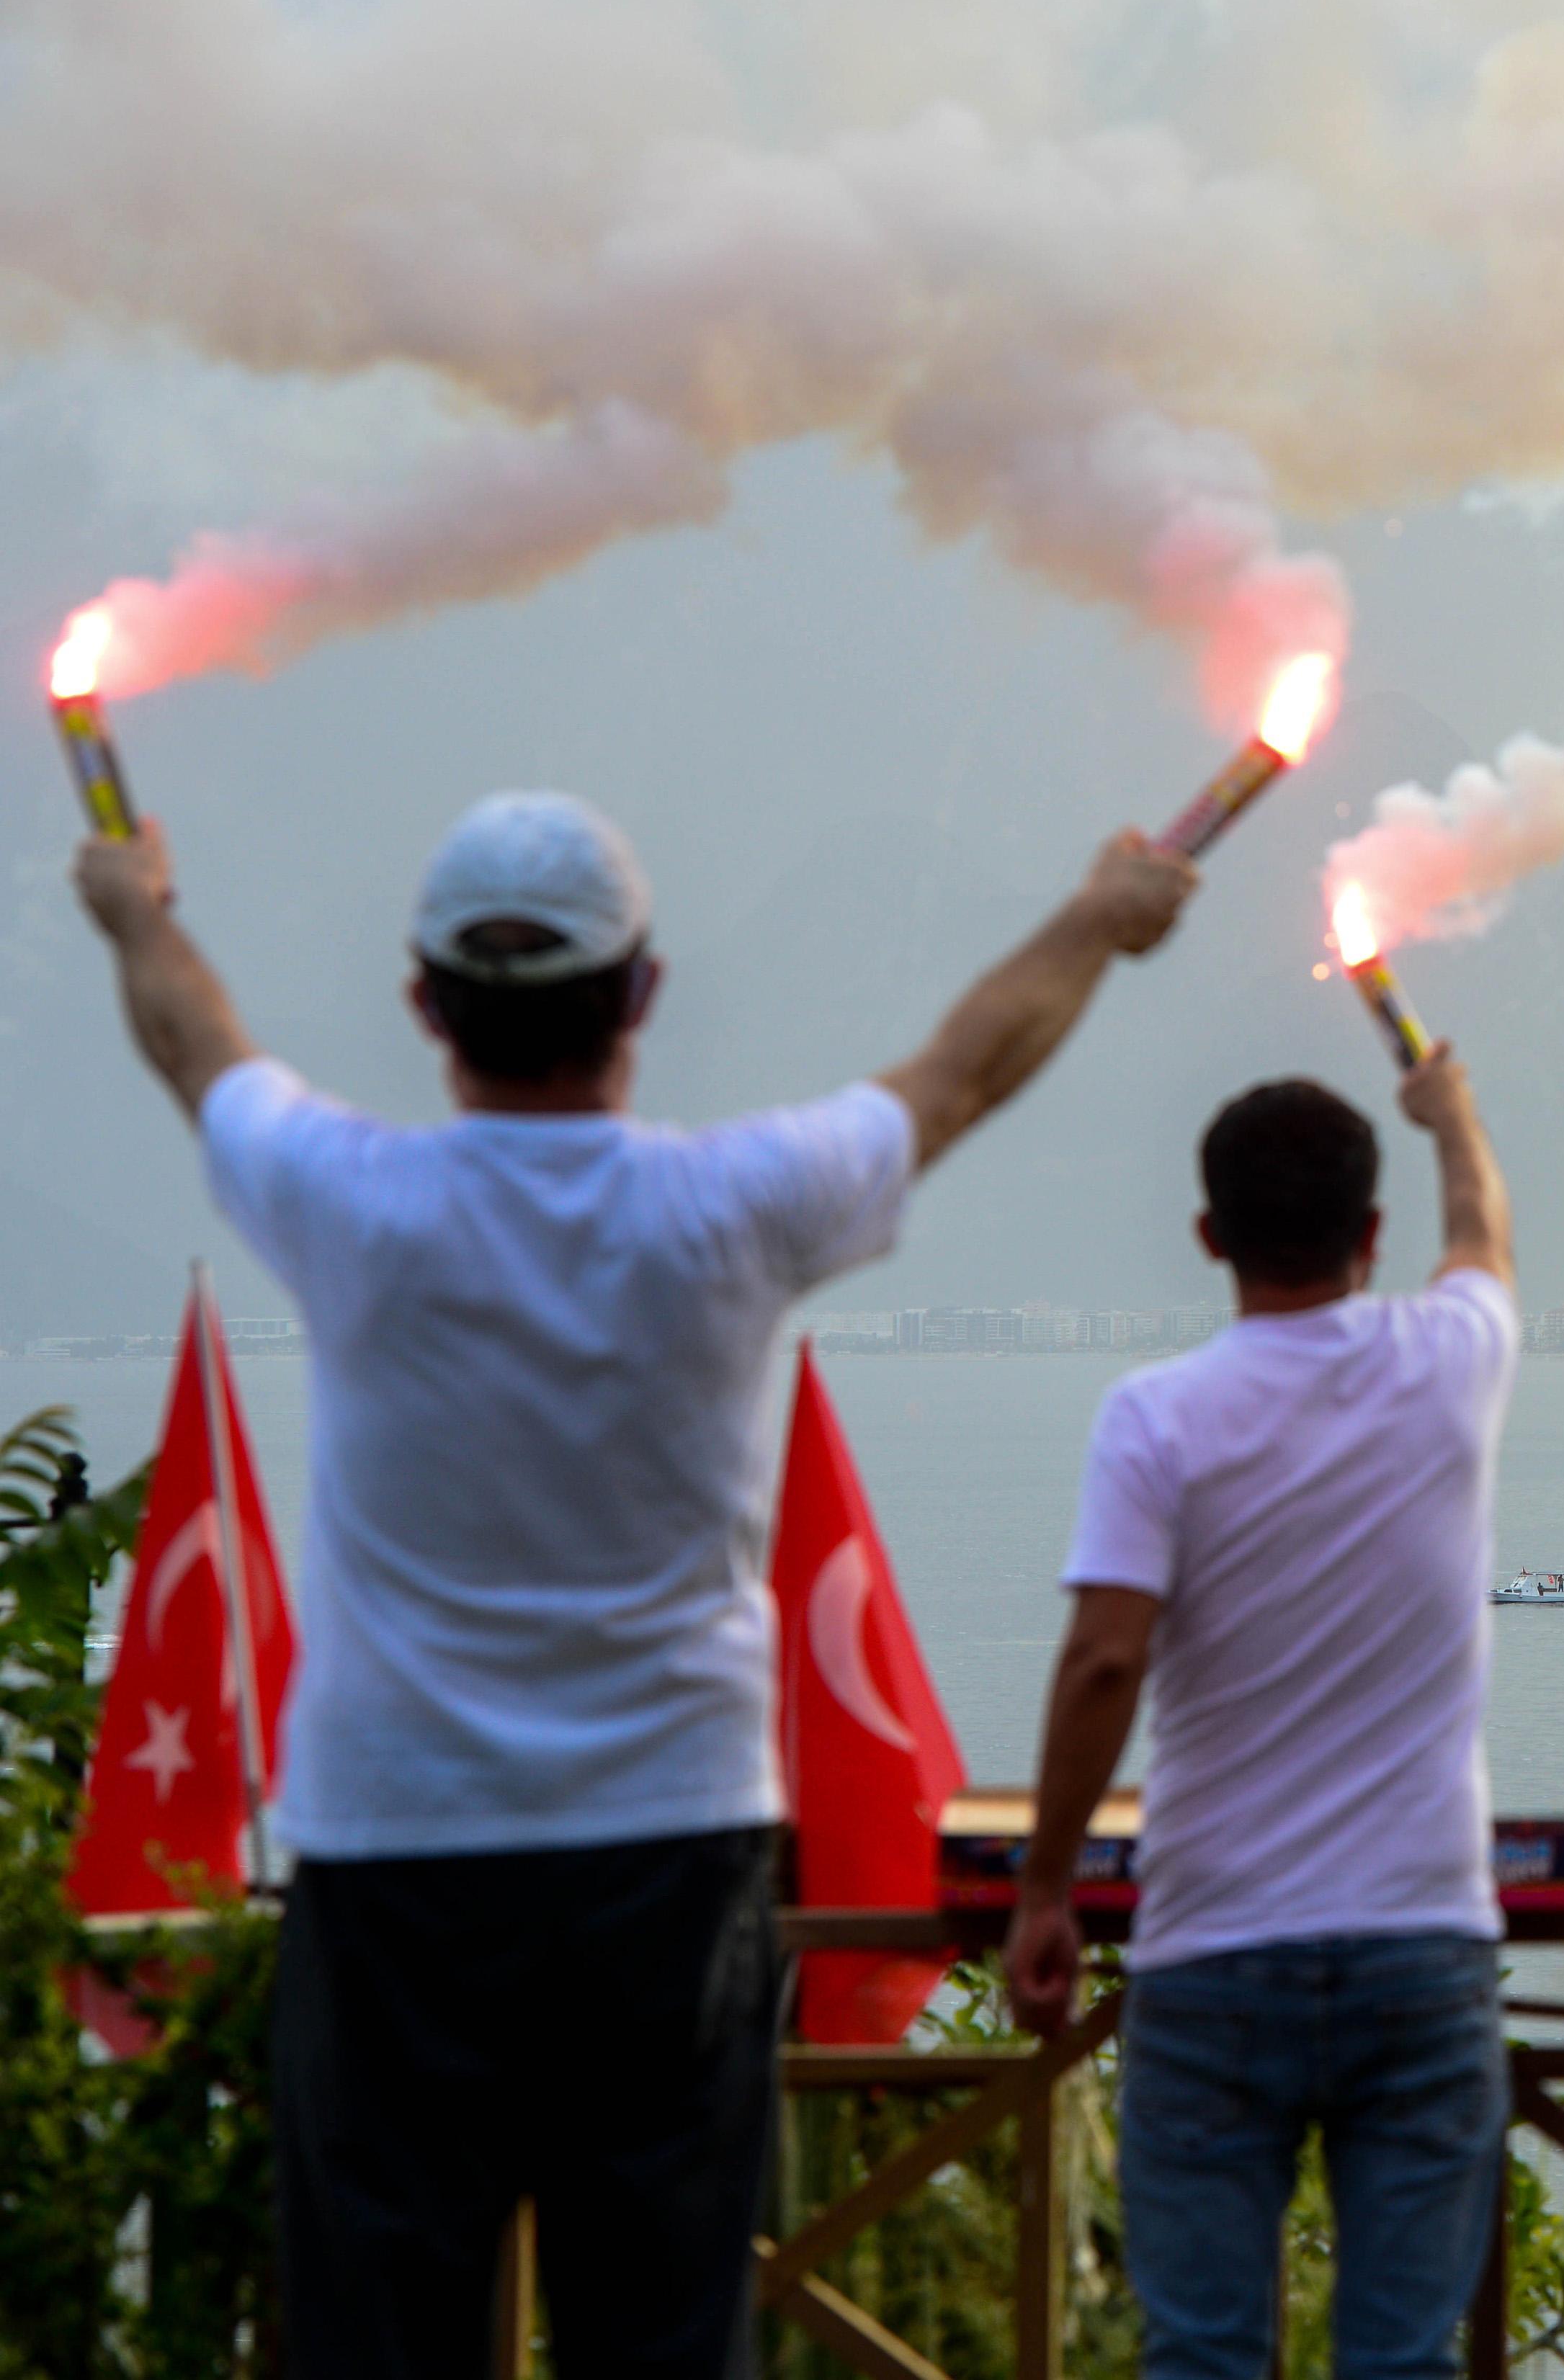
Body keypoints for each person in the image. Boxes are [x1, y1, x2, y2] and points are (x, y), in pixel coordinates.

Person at [73, 792, 1196, 2376]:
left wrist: (132, 903)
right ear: (644, 995)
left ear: (424, 1005)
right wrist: (1104, 916)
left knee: (379, 2340)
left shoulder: (349, 1200)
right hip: (669, 1866)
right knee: (663, 2339)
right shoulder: (728, 1205)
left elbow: (193, 1042)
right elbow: (964, 1072)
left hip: (397, 1865)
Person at [1006, 1050, 1518, 2380]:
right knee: (1403, 2363)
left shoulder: (1156, 1418)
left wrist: (1047, 1887)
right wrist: (1451, 1115)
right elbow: (1484, 1237)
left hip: (1215, 1950)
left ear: (1207, 1236)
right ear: (1370, 1236)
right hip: (1421, 1948)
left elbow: (1105, 1662)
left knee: (1207, 2357)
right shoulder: (1452, 1364)